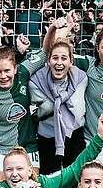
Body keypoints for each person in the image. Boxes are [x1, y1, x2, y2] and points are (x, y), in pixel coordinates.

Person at [46, 17, 103, 160]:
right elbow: (55, 50)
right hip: (91, 140)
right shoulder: (88, 65)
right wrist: (65, 28)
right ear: (97, 48)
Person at [0, 40, 45, 183]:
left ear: (15, 68)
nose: (3, 76)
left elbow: (46, 51)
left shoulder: (24, 73)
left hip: (26, 145)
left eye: (7, 70)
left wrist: (56, 28)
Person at [28, 37, 88, 174]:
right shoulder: (36, 83)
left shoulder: (81, 79)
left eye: (64, 58)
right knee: (49, 181)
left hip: (74, 136)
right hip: (47, 138)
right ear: (48, 61)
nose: (59, 62)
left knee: (75, 179)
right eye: (55, 58)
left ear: (71, 62)